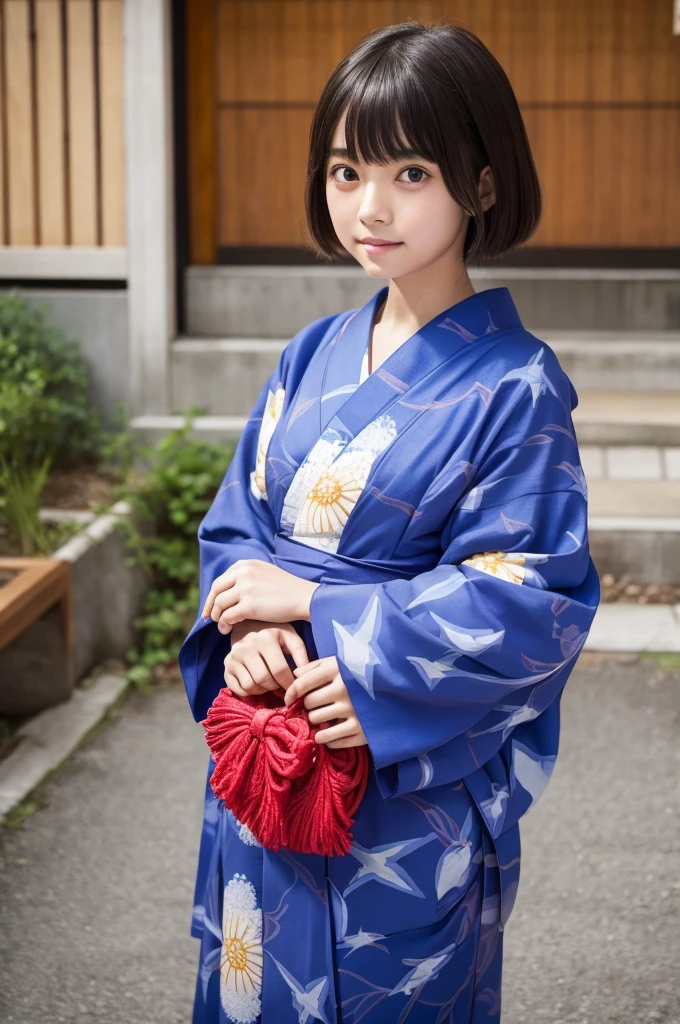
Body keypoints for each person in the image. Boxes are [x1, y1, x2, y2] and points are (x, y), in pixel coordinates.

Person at [179, 20, 599, 1024]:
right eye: (345, 169)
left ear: (480, 184)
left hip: (394, 786)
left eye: (410, 172)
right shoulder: (311, 351)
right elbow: (238, 525)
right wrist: (252, 625)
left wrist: (321, 607)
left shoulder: (513, 386)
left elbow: (526, 597)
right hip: (272, 749)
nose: (368, 207)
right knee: (251, 983)